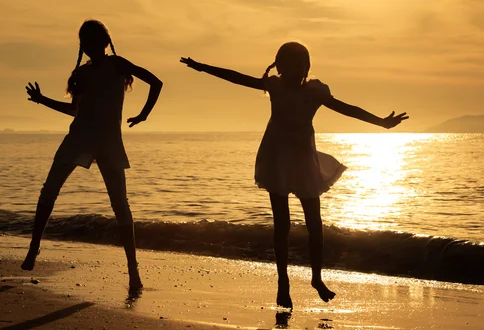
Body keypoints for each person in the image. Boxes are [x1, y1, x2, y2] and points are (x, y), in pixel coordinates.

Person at [180, 42, 407, 308]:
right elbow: (237, 78)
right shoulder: (274, 86)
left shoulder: (315, 92)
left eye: (301, 64)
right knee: (282, 226)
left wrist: (381, 122)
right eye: (290, 64)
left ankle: (317, 278)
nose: (296, 69)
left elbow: (347, 108)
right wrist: (202, 68)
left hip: (303, 161)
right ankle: (283, 283)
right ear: (280, 65)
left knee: (315, 225)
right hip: (276, 159)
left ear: (306, 67)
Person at [22, 20, 162, 292]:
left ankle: (133, 271)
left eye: (93, 40)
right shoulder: (81, 73)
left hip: (108, 142)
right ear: (82, 46)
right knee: (48, 191)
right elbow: (75, 111)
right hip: (78, 138)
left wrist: (144, 114)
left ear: (105, 42)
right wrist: (42, 100)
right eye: (85, 42)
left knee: (120, 204)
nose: (89, 46)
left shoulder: (118, 64)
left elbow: (156, 82)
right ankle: (34, 247)